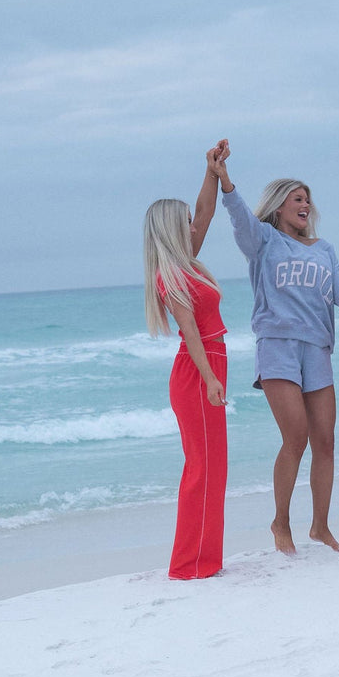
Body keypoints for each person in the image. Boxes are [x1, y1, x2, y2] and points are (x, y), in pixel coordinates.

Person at [211, 142, 339, 554]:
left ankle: (320, 527)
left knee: (325, 441)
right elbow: (240, 218)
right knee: (296, 436)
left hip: (317, 350)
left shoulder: (324, 250)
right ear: (279, 207)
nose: (305, 204)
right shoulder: (263, 240)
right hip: (277, 346)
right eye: (297, 198)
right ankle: (281, 522)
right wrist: (226, 183)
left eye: (307, 198)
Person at [142, 141, 231, 580]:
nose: (191, 225)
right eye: (183, 222)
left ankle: (205, 561)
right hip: (197, 370)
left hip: (209, 363)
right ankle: (188, 565)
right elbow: (190, 331)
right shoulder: (170, 274)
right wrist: (210, 378)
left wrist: (212, 170)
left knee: (214, 467)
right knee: (202, 468)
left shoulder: (188, 261)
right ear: (168, 229)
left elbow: (206, 212)